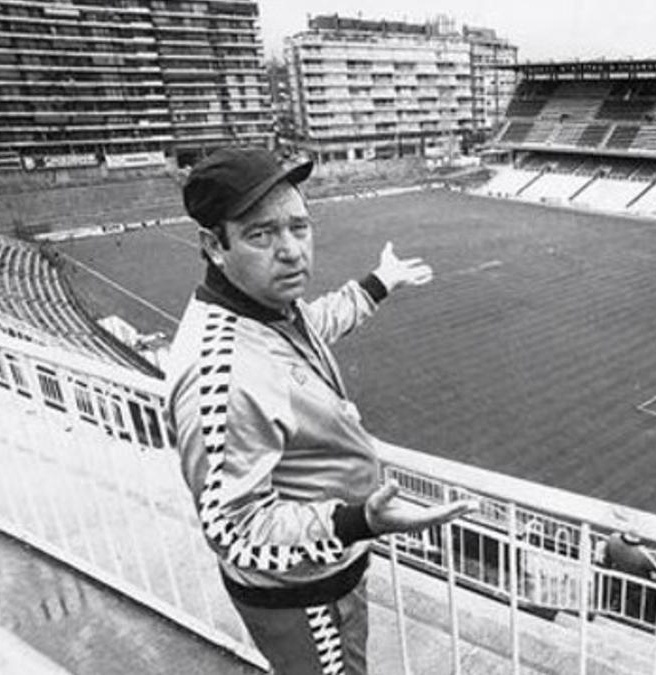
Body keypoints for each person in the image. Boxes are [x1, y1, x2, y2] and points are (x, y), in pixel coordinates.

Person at [166, 146, 474, 675]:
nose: (291, 251)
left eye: (299, 227)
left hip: (327, 569)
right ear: (214, 246)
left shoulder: (269, 311)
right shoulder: (221, 372)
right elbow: (234, 533)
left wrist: (378, 284)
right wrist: (358, 520)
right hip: (301, 596)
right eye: (261, 235)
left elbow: (315, 326)